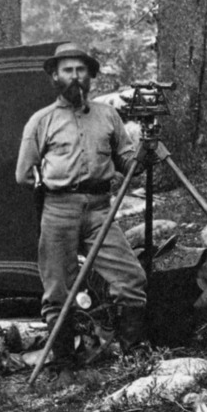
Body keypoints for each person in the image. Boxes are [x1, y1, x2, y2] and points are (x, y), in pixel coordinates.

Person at [15, 43, 151, 349]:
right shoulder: (41, 121)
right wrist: (50, 187)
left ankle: (132, 355)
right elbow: (23, 173)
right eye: (68, 70)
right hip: (58, 210)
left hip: (100, 211)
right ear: (55, 76)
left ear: (90, 75)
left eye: (80, 70)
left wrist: (141, 159)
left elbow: (127, 161)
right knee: (57, 292)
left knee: (131, 279)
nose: (75, 76)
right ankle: (63, 360)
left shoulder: (108, 116)